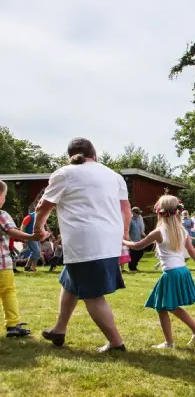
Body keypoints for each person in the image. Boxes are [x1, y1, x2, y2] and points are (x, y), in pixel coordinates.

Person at [33, 138, 130, 352]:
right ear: (94, 155)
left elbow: (43, 205)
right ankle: (59, 330)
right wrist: (122, 235)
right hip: (108, 240)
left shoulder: (65, 173)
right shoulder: (114, 176)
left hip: (84, 241)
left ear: (70, 155)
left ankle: (116, 343)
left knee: (93, 294)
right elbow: (126, 210)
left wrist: (38, 229)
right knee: (70, 282)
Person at [122, 196, 195, 348]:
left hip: (171, 273)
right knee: (165, 306)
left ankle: (181, 337)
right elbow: (192, 252)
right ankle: (193, 331)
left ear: (160, 213)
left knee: (166, 306)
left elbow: (136, 246)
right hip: (182, 271)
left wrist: (122, 240)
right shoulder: (182, 230)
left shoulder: (159, 232)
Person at [0, 180, 42, 338]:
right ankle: (12, 325)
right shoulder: (2, 215)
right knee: (8, 292)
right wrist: (31, 236)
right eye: (4, 195)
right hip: (2, 265)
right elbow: (11, 231)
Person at [128, 207, 146, 272]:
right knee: (133, 255)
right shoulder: (130, 220)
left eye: (139, 213)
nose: (139, 214)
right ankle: (132, 268)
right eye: (138, 213)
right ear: (133, 213)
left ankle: (134, 266)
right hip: (132, 241)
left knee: (140, 253)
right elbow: (127, 231)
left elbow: (141, 231)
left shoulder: (139, 220)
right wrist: (129, 241)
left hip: (139, 240)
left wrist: (147, 237)